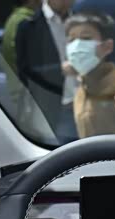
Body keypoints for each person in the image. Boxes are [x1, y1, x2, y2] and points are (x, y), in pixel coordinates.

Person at [16, 0, 80, 141]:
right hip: (53, 107)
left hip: (85, 103)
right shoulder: (29, 26)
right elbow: (25, 71)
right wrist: (60, 70)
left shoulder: (81, 20)